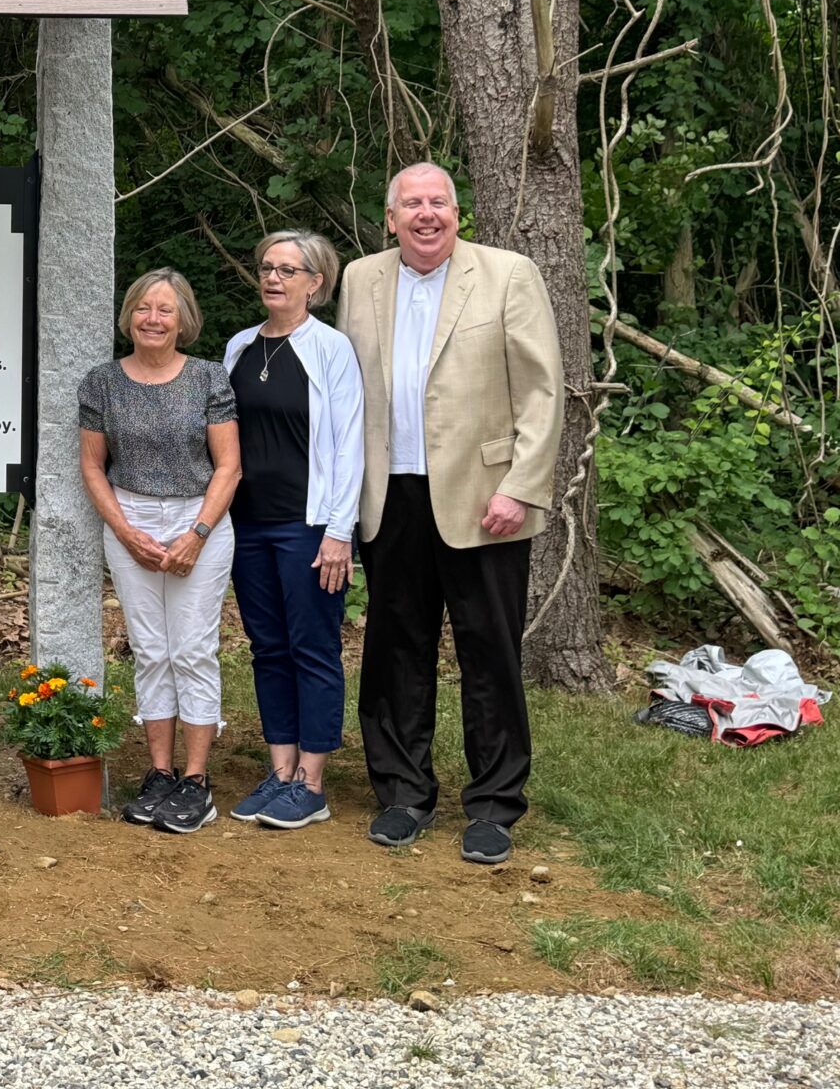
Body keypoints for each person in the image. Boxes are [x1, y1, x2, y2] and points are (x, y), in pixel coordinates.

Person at [339, 162, 562, 865]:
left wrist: (521, 486)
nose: (426, 214)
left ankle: (494, 806)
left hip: (484, 495)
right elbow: (350, 397)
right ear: (392, 215)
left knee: (488, 651)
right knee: (394, 649)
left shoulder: (508, 274)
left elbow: (542, 390)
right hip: (390, 495)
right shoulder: (359, 278)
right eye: (412, 203)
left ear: (457, 213)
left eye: (438, 202)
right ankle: (403, 794)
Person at [79, 268, 240, 834]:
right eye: (144, 308)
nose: (153, 319)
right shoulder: (102, 382)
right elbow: (93, 467)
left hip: (200, 518)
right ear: (129, 315)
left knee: (192, 648)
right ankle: (160, 772)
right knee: (150, 649)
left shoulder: (208, 379)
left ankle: (196, 780)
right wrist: (125, 531)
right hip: (132, 518)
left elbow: (229, 465)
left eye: (165, 310)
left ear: (183, 319)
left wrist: (197, 534)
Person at [220, 230, 363, 831]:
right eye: (267, 267)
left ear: (316, 283)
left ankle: (312, 781)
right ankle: (279, 772)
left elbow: (350, 444)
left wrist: (339, 531)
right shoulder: (238, 348)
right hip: (245, 526)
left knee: (313, 650)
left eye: (288, 269)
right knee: (268, 649)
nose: (273, 278)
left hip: (307, 529)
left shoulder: (330, 349)